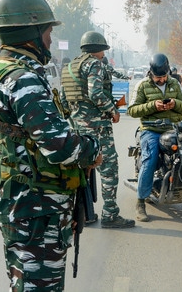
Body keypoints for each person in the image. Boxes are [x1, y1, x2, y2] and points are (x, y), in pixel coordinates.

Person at [0, 0, 103, 291]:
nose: (49, 39)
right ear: (30, 32)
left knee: (23, 280)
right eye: (47, 31)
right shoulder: (23, 80)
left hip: (23, 204)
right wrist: (92, 149)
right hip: (37, 209)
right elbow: (59, 147)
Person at [60, 31, 135, 229]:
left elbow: (63, 99)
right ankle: (110, 214)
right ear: (100, 49)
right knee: (109, 169)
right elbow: (96, 93)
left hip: (76, 127)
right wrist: (112, 111)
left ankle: (81, 213)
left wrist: (75, 119)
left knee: (82, 169)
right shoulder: (94, 64)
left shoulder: (69, 66)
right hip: (98, 127)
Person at [126, 53, 182, 221]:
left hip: (173, 129)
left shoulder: (175, 83)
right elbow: (132, 110)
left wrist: (175, 104)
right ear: (151, 73)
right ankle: (141, 201)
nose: (162, 80)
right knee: (149, 161)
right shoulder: (142, 85)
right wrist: (152, 106)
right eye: (158, 77)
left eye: (164, 76)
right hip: (151, 130)